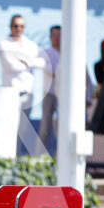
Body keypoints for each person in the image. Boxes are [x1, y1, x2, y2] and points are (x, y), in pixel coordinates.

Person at [0, 14, 46, 154]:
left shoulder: (30, 44)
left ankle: (15, 155)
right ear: (10, 26)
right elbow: (12, 66)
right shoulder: (4, 44)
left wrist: (24, 60)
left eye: (22, 26)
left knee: (23, 128)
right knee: (9, 127)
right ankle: (7, 155)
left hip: (27, 92)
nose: (19, 29)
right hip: (11, 92)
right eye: (16, 26)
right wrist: (30, 61)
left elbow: (42, 63)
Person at [37, 25, 61, 154]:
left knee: (62, 127)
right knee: (45, 127)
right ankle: (39, 157)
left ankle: (60, 156)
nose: (57, 38)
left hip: (64, 96)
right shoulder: (45, 53)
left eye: (59, 35)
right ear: (50, 37)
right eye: (55, 35)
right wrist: (59, 72)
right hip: (49, 93)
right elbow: (47, 69)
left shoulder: (69, 53)